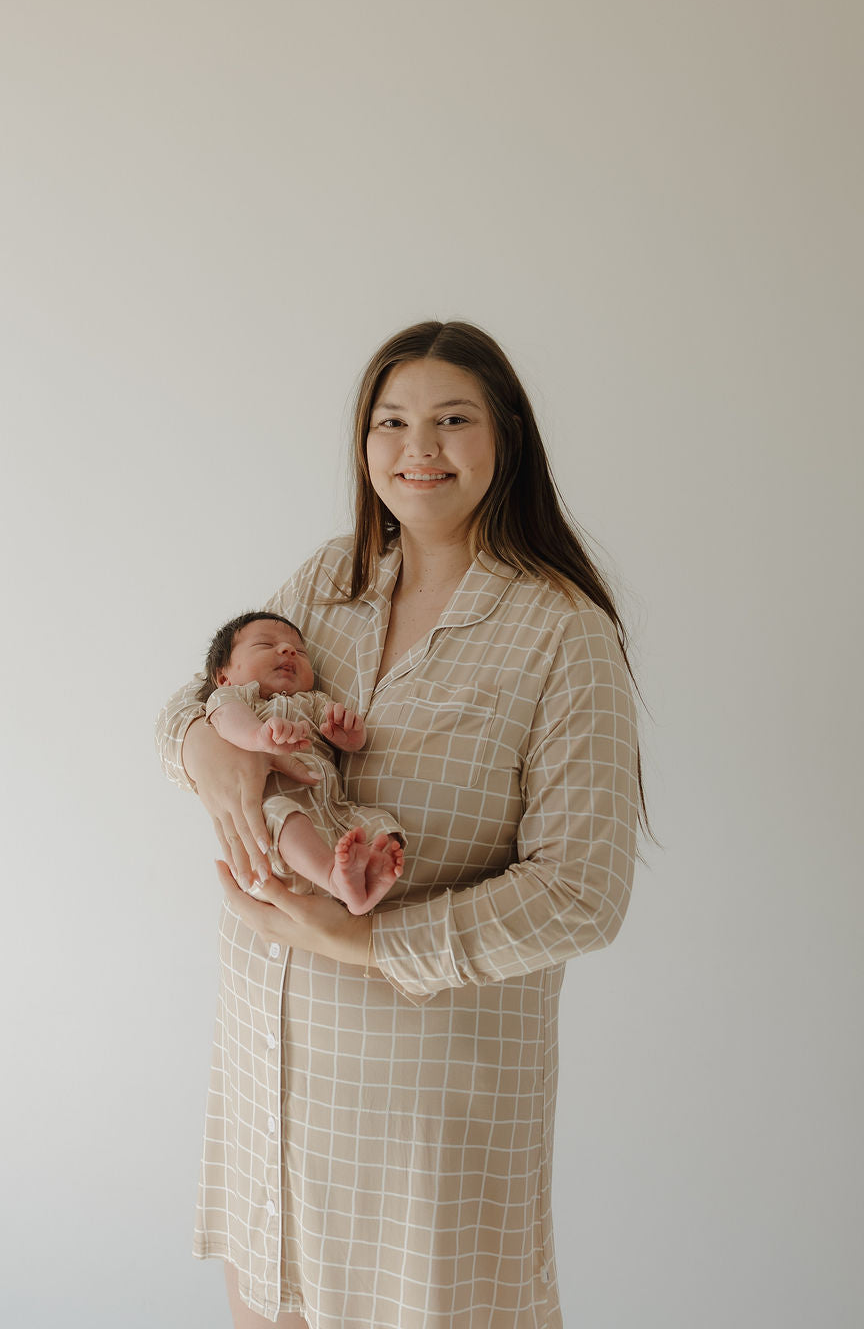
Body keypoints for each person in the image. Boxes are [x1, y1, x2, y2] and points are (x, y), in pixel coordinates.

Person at [156, 320, 647, 1329]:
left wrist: (365, 938)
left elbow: (582, 893)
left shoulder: (562, 633)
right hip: (272, 1068)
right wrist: (203, 752)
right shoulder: (328, 582)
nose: (417, 449)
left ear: (505, 435)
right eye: (391, 422)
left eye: (450, 420)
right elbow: (204, 695)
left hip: (424, 1111)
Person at [199, 609, 405, 914]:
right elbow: (226, 719)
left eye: (300, 651)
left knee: (381, 825)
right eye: (265, 645)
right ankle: (332, 877)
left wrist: (350, 736)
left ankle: (365, 879)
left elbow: (343, 734)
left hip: (333, 808)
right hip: (276, 811)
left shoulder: (315, 701)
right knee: (284, 816)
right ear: (224, 677)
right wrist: (257, 736)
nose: (288, 650)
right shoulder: (235, 698)